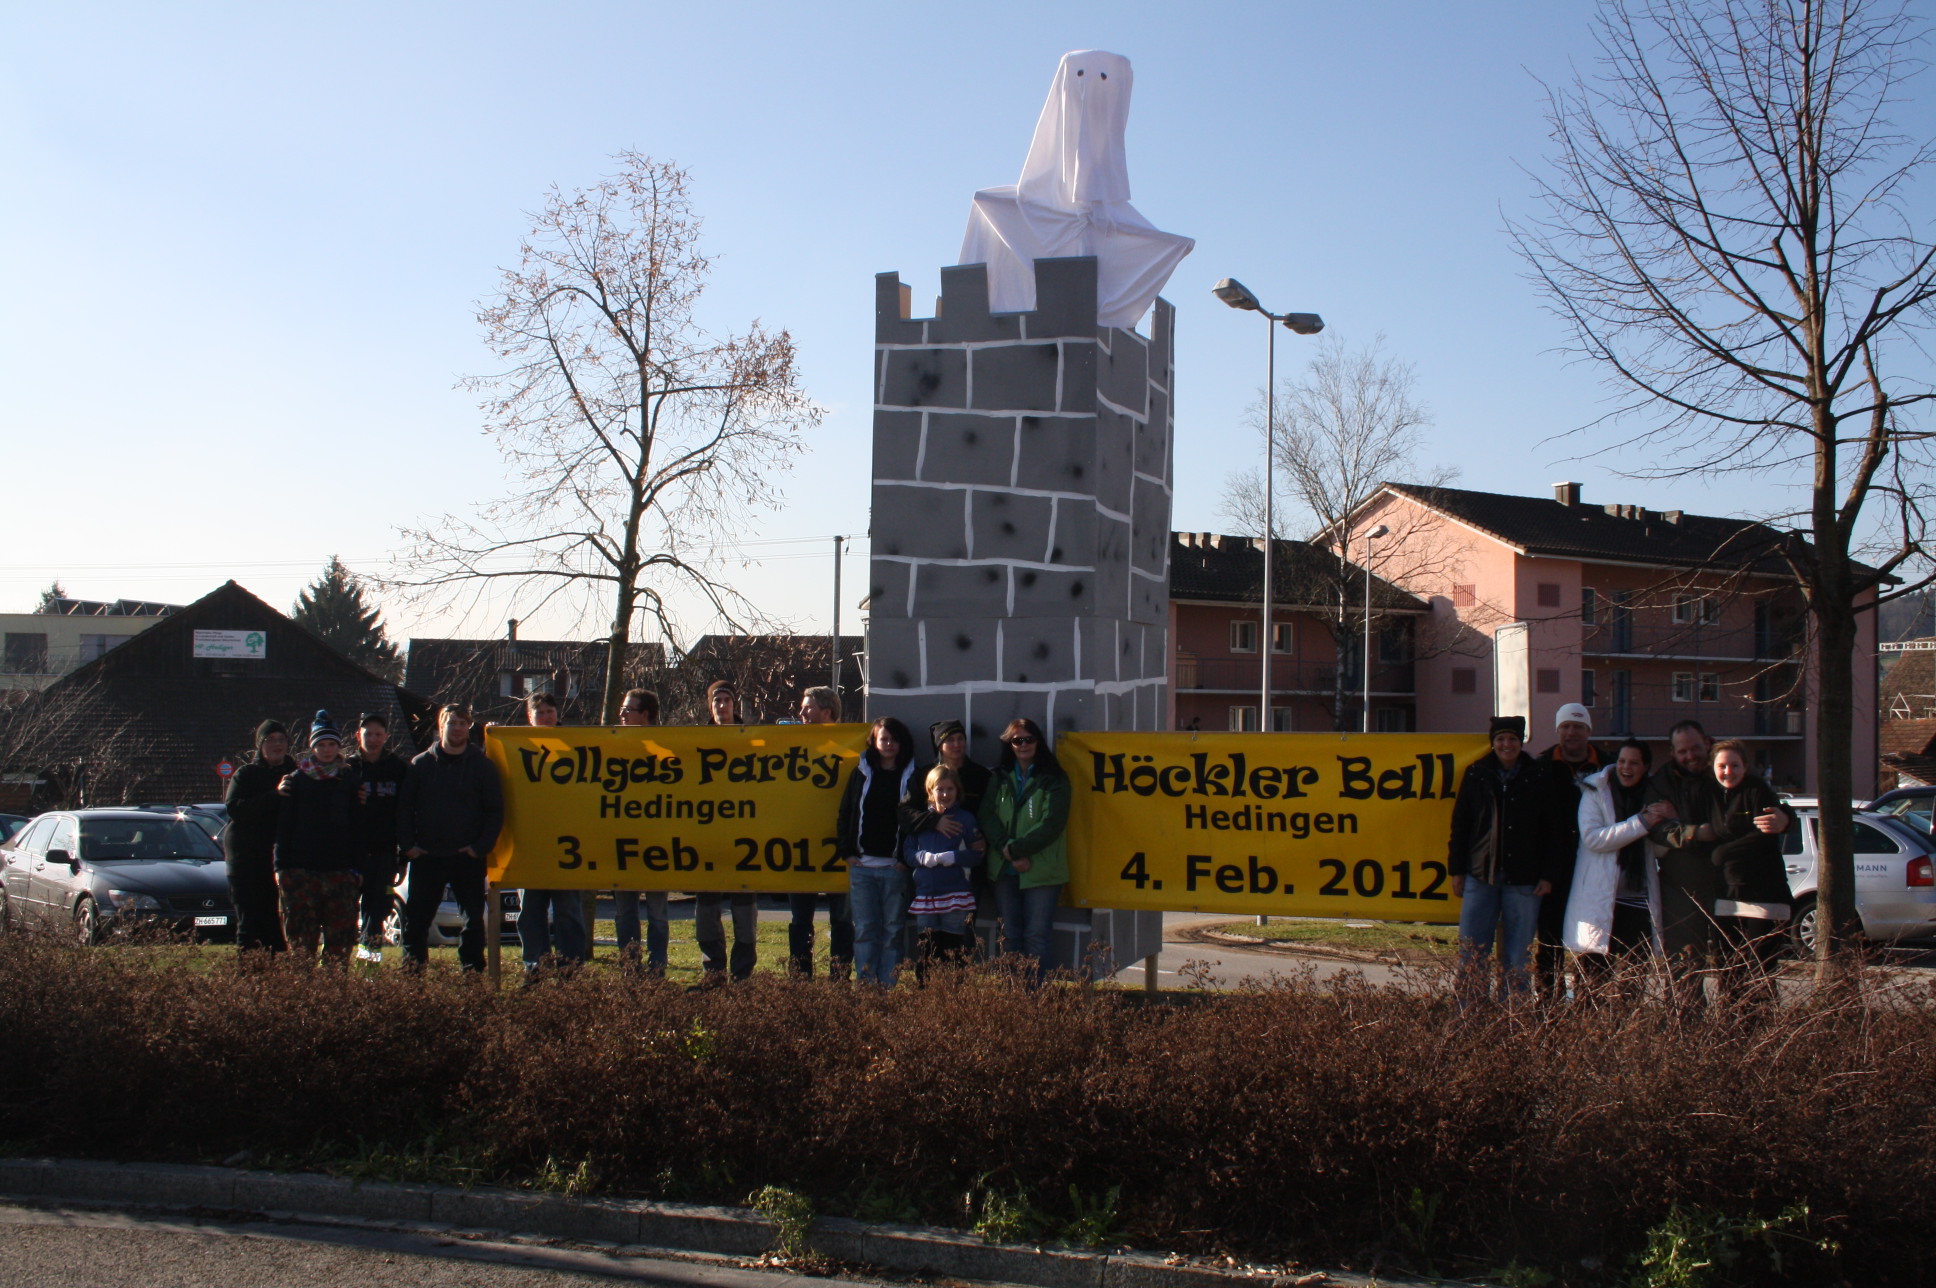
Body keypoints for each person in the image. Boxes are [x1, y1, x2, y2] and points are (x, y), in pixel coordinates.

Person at [1643, 720, 1789, 1009]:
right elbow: (1655, 828)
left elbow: (1761, 801)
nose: (1690, 756)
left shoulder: (1725, 769)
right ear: (1672, 753)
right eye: (1682, 751)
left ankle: (1745, 1023)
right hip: (1684, 886)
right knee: (1686, 965)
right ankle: (1689, 1026)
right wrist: (1693, 833)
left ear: (1707, 743)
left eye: (1695, 748)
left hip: (1732, 885)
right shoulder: (1663, 782)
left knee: (1739, 964)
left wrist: (1786, 818)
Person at [1446, 716, 1565, 1005]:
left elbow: (1554, 829)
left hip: (1525, 878)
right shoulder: (1477, 773)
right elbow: (1461, 824)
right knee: (1472, 951)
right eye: (1500, 739)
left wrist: (1548, 874)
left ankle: (1514, 1014)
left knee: (1518, 954)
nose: (1506, 744)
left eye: (1512, 738)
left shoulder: (1539, 775)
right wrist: (1457, 869)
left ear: (1521, 741)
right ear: (1493, 742)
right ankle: (1469, 1013)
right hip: (1480, 874)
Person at [1563, 738, 1672, 1004]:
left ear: (1646, 767)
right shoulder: (1595, 790)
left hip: (1638, 900)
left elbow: (1660, 850)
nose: (1626, 768)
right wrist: (1641, 822)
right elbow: (1594, 838)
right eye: (1622, 761)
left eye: (1634, 763)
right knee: (1592, 985)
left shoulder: (1654, 796)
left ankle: (1627, 1031)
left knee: (1633, 982)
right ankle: (1589, 1029)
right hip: (1600, 899)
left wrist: (1670, 819)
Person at [397, 704, 504, 972]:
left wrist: (480, 847)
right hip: (427, 856)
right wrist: (408, 845)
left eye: (462, 723)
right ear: (440, 726)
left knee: (473, 922)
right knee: (416, 922)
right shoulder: (420, 764)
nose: (457, 728)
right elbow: (403, 809)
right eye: (452, 723)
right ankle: (412, 978)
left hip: (467, 856)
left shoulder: (483, 766)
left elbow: (495, 811)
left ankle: (472, 976)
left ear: (468, 727)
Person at [978, 717, 1071, 984]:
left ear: (1038, 741)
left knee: (1036, 936)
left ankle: (1033, 998)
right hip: (1004, 870)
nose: (1023, 745)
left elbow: (1052, 823)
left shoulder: (1054, 778)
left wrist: (1017, 850)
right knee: (1009, 936)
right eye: (1017, 740)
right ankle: (1013, 999)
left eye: (1029, 739)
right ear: (1009, 744)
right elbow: (986, 815)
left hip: (1041, 870)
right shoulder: (999, 777)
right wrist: (1006, 848)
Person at [273, 711, 364, 967]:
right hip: (301, 871)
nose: (326, 750)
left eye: (331, 744)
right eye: (321, 745)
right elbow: (284, 828)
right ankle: (303, 991)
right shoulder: (296, 781)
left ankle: (333, 990)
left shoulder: (349, 781)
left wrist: (357, 869)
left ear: (338, 747)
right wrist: (281, 867)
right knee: (301, 944)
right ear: (312, 747)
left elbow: (358, 828)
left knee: (339, 945)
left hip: (340, 871)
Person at [1706, 739, 1793, 1003]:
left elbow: (1764, 834)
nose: (1728, 772)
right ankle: (1731, 1023)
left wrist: (1723, 853)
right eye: (1722, 766)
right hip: (1726, 896)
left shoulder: (1758, 791)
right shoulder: (1711, 794)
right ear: (1713, 767)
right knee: (1729, 972)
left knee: (1759, 973)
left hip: (1763, 895)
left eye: (1734, 765)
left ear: (1745, 766)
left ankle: (1762, 1024)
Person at [836, 716, 919, 986]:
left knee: (892, 931)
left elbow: (918, 819)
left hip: (895, 868)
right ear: (873, 741)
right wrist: (847, 852)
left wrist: (905, 859)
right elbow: (845, 812)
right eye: (884, 739)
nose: (889, 744)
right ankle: (866, 988)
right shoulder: (861, 773)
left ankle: (888, 988)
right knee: (864, 931)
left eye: (894, 739)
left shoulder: (913, 776)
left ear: (902, 743)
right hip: (862, 868)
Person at [900, 719, 993, 946]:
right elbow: (904, 813)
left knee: (962, 936)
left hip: (966, 872)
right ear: (939, 745)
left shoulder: (981, 775)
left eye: (960, 739)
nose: (957, 744)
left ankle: (958, 970)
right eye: (950, 740)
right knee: (929, 941)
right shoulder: (923, 775)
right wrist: (934, 821)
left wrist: (985, 839)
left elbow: (992, 813)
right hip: (929, 877)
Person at [1534, 702, 1602, 1002]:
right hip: (1553, 868)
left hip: (1595, 866)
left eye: (1578, 726)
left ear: (1588, 731)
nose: (1572, 732)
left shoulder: (1608, 767)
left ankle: (1590, 1004)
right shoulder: (1541, 767)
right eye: (1566, 726)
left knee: (1593, 941)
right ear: (1558, 730)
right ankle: (1548, 1004)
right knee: (1550, 941)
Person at [515, 691, 586, 976]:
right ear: (529, 717)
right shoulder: (517, 747)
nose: (545, 717)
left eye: (549, 711)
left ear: (558, 714)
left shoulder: (573, 745)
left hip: (568, 844)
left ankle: (571, 972)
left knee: (569, 912)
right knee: (531, 913)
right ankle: (536, 970)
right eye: (539, 712)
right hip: (531, 845)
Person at [693, 680, 759, 983]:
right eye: (716, 700)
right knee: (706, 908)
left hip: (744, 838)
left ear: (735, 704)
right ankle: (713, 972)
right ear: (710, 706)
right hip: (708, 838)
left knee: (744, 909)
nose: (722, 705)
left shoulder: (752, 740)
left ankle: (742, 974)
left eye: (727, 700)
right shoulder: (696, 741)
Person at [787, 684, 853, 977]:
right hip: (800, 846)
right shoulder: (791, 747)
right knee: (801, 920)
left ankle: (839, 979)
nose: (801, 713)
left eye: (807, 707)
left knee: (841, 919)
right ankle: (800, 979)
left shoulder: (850, 748)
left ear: (826, 711)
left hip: (839, 847)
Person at [902, 764, 982, 973]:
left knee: (953, 949)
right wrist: (922, 857)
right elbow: (908, 853)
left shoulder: (965, 819)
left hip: (956, 893)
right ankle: (927, 990)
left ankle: (951, 990)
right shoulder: (922, 820)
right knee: (927, 948)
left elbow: (977, 854)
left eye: (950, 789)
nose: (945, 794)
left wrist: (953, 857)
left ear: (957, 791)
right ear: (930, 791)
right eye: (940, 789)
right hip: (926, 894)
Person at [613, 688, 670, 976]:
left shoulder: (665, 749)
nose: (622, 715)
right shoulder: (614, 747)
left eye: (628, 710)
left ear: (644, 715)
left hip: (658, 845)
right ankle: (630, 969)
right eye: (623, 709)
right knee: (625, 913)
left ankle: (657, 970)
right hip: (623, 843)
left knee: (657, 913)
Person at [224, 718, 293, 954]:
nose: (277, 745)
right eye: (270, 740)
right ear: (260, 745)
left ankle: (276, 974)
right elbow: (235, 808)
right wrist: (274, 795)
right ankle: (249, 973)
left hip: (280, 858)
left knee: (274, 926)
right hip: (246, 859)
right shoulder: (246, 774)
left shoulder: (295, 774)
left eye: (281, 739)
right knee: (250, 923)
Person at [346, 712, 408, 963]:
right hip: (350, 855)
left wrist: (402, 857)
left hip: (384, 855)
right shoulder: (346, 768)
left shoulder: (399, 769)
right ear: (357, 736)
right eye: (367, 734)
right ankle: (333, 971)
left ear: (386, 737)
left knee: (377, 912)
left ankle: (368, 968)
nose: (372, 739)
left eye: (378, 734)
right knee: (342, 913)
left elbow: (405, 814)